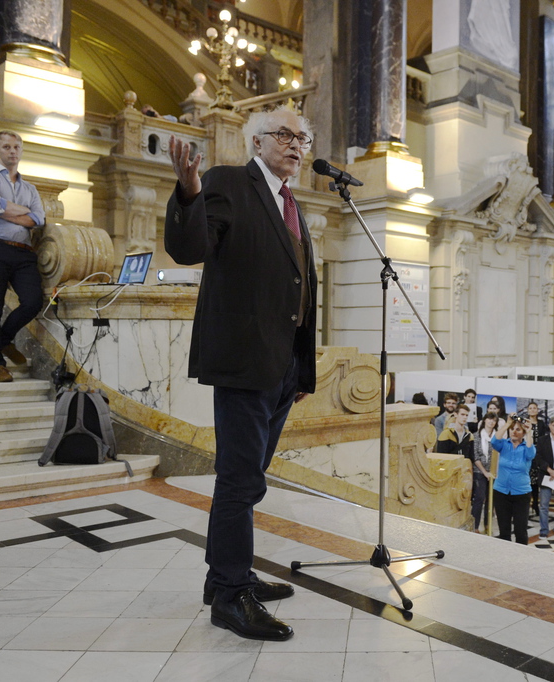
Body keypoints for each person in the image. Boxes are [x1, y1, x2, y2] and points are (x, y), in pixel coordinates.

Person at [164, 108, 318, 641]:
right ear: (257, 141)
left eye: (302, 138)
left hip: (280, 369)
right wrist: (188, 194)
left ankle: (225, 576)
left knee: (248, 480)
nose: (295, 145)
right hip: (243, 363)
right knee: (239, 480)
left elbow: (296, 288)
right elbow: (190, 247)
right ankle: (230, 596)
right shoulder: (231, 180)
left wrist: (301, 369)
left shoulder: (289, 203)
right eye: (284, 135)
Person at [0, 130, 45, 383]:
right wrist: (24, 213)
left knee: (33, 301)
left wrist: (7, 211)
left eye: (16, 147)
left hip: (23, 253)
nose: (12, 151)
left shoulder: (30, 188)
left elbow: (39, 218)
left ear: (20, 151)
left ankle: (2, 340)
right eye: (7, 147)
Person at [490, 415, 536, 544]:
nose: (514, 432)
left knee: (520, 531)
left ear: (523, 433)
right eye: (512, 429)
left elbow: (530, 454)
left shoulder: (526, 447)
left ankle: (520, 560)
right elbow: (494, 441)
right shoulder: (504, 444)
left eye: (518, 430)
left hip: (521, 494)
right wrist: (507, 423)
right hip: (501, 492)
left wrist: (529, 432)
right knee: (504, 531)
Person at [471, 413, 499, 532]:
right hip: (479, 471)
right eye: (489, 419)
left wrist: (493, 472)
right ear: (484, 421)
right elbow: (475, 456)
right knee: (479, 498)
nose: (491, 422)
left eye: (494, 420)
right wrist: (484, 472)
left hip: (493, 471)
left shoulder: (497, 437)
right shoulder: (476, 436)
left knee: (491, 499)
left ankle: (488, 524)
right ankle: (475, 525)